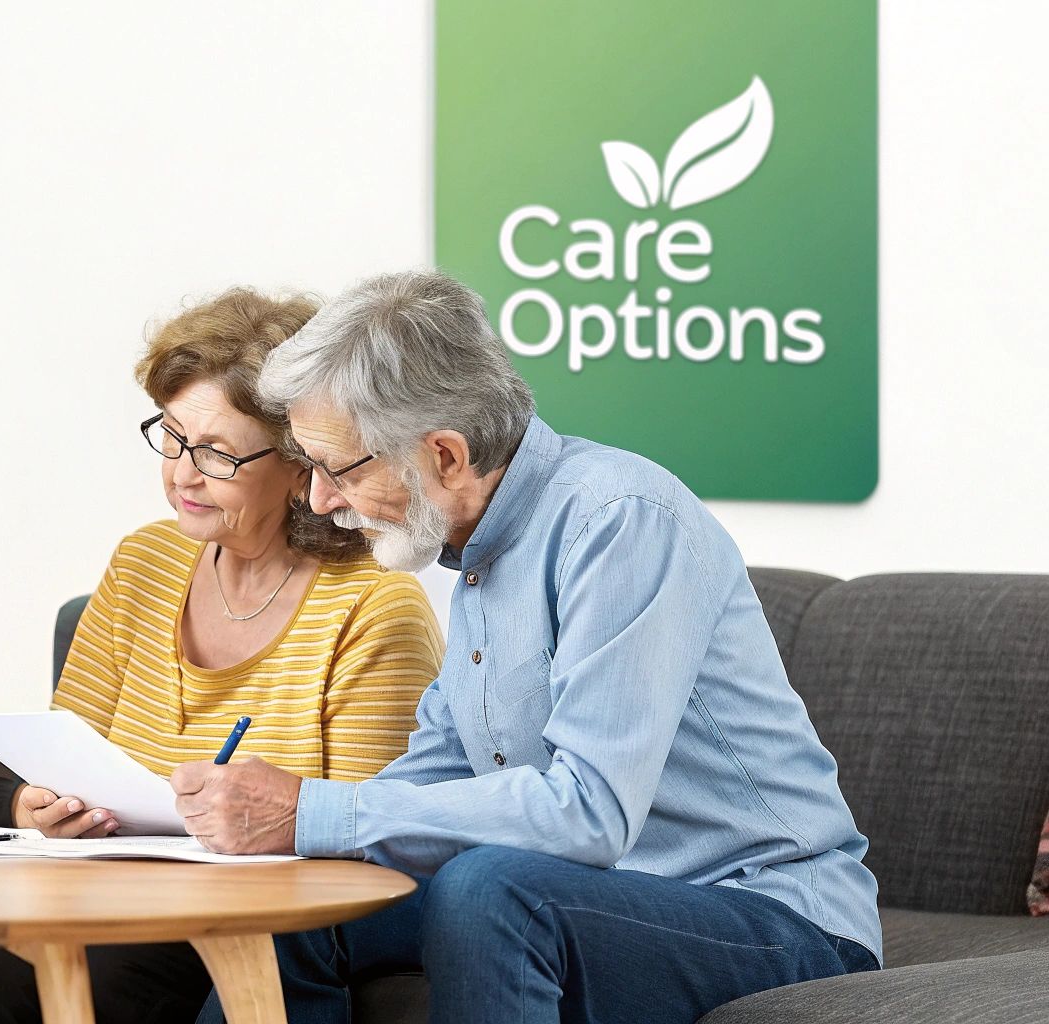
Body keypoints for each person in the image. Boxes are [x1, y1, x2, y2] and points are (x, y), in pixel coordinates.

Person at [175, 269, 883, 1024]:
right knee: (296, 903)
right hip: (596, 895)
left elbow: (589, 814)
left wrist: (312, 812)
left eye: (337, 469)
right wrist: (291, 835)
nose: (318, 500)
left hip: (773, 918)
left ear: (444, 455)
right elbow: (436, 776)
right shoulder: (475, 552)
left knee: (487, 887)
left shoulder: (617, 521)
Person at [0, 288, 443, 1024]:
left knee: (85, 978)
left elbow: (373, 846)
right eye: (172, 437)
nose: (182, 473)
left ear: (302, 463)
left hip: (247, 921)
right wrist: (34, 806)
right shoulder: (144, 561)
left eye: (215, 453)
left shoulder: (375, 605)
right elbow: (42, 765)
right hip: (99, 898)